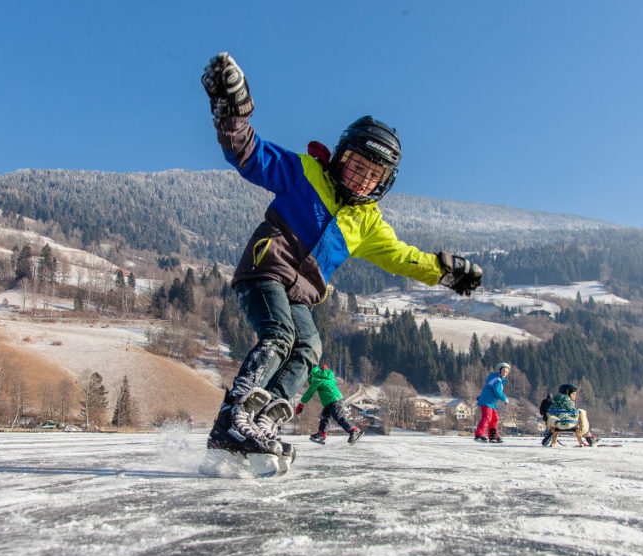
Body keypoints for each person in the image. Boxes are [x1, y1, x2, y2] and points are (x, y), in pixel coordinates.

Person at [200, 52, 483, 464]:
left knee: (309, 346)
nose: (362, 178)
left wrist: (445, 274)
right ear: (341, 156)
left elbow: (404, 258)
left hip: (301, 294)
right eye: (356, 165)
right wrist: (232, 113)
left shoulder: (366, 223)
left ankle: (263, 418)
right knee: (279, 335)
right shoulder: (305, 173)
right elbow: (249, 153)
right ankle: (233, 415)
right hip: (266, 269)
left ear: (384, 183)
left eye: (374, 175)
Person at [296, 365, 363, 445]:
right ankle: (322, 434)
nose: (309, 381)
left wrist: (302, 404)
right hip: (331, 401)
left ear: (312, 375)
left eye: (309, 378)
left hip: (334, 401)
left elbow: (309, 392)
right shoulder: (327, 377)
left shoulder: (317, 380)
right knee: (324, 416)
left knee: (338, 417)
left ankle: (354, 430)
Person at [474, 362, 510, 443]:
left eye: (507, 372)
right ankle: (479, 434)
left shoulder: (499, 380)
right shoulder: (497, 380)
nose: (505, 373)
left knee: (494, 419)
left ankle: (493, 436)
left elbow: (489, 389)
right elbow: (497, 391)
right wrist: (505, 399)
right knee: (487, 418)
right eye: (503, 371)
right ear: (499, 371)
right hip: (487, 402)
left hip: (491, 403)